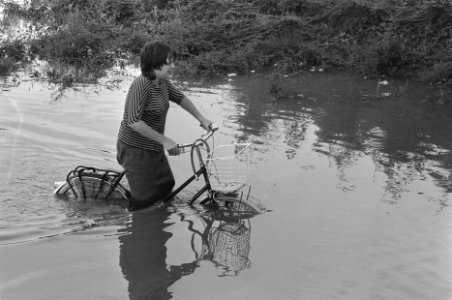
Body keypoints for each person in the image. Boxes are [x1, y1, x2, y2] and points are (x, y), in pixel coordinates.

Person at [116, 41, 212, 210]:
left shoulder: (162, 83)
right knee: (143, 199)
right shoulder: (141, 85)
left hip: (153, 146)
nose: (173, 66)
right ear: (155, 63)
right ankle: (134, 223)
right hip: (134, 149)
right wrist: (165, 141)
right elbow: (133, 121)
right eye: (169, 62)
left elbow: (181, 98)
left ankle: (158, 217)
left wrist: (201, 118)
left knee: (166, 185)